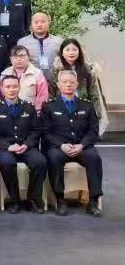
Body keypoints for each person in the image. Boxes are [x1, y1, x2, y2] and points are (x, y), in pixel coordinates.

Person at [40, 70, 103, 217]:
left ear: (77, 84)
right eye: (65, 82)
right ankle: (60, 200)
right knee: (54, 158)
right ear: (58, 85)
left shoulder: (87, 106)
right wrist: (61, 145)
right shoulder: (49, 106)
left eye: (71, 82)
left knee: (94, 158)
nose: (68, 85)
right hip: (59, 147)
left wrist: (82, 145)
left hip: (82, 146)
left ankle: (93, 201)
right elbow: (45, 132)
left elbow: (93, 131)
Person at [0, 75, 46, 214]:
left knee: (40, 162)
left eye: (15, 86)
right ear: (1, 89)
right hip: (1, 149)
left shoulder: (29, 107)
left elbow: (35, 131)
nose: (12, 90)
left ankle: (32, 200)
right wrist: (8, 146)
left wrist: (27, 145)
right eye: (8, 87)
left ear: (19, 87)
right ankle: (14, 200)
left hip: (25, 147)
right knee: (8, 163)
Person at [49, 38, 108, 135]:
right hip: (62, 109)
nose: (71, 52)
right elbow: (51, 93)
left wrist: (97, 114)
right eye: (67, 50)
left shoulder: (88, 69)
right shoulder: (56, 70)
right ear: (62, 53)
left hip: (83, 109)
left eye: (74, 49)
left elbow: (94, 94)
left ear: (79, 51)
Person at [0, 45, 49, 114]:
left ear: (28, 57)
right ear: (10, 59)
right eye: (15, 56)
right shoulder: (4, 74)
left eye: (22, 56)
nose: (19, 59)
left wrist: (36, 114)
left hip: (31, 114)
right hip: (6, 114)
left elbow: (42, 97)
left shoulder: (37, 74)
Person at [17, 11, 63, 81]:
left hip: (54, 81)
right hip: (31, 81)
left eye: (43, 21)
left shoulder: (59, 41)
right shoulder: (22, 42)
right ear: (31, 24)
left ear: (49, 22)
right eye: (36, 22)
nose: (39, 24)